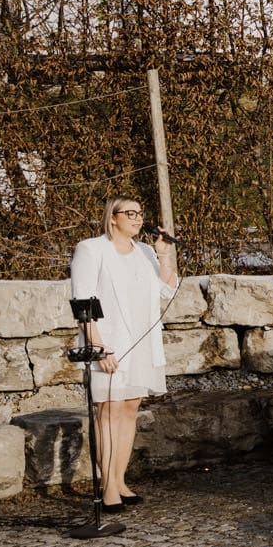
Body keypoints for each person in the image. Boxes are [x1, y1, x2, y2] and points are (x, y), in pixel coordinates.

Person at [70, 198, 179, 509]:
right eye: (129, 213)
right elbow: (83, 303)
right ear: (112, 218)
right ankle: (107, 488)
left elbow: (167, 289)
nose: (137, 218)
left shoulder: (145, 252)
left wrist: (163, 255)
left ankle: (119, 479)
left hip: (142, 342)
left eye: (140, 213)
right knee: (108, 410)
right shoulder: (92, 249)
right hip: (110, 343)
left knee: (129, 409)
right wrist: (99, 347)